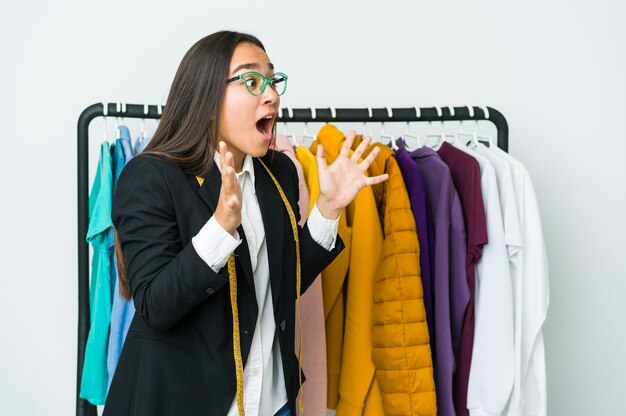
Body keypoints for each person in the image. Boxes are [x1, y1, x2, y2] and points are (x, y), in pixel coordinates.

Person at [103, 30, 388, 416]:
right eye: (252, 81)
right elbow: (157, 306)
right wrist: (220, 228)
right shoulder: (150, 176)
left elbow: (278, 284)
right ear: (205, 97)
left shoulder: (279, 172)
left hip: (270, 403)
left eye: (272, 80)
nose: (271, 94)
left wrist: (328, 208)